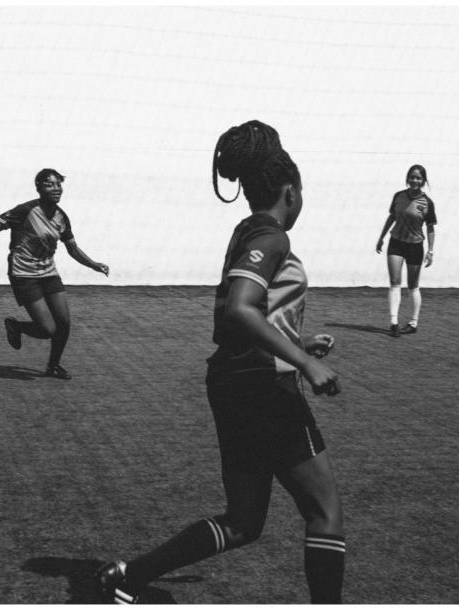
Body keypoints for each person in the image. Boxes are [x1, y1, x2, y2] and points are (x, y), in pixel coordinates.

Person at [96, 121, 345, 603]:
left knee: (244, 521)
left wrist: (298, 341)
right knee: (325, 510)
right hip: (262, 388)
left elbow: (239, 316)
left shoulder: (245, 230)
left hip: (233, 379)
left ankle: (128, 576)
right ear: (291, 191)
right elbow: (240, 307)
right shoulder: (272, 236)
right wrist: (306, 365)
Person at [0, 168, 109, 379]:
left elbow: (72, 249)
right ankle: (17, 326)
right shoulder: (25, 210)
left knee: (64, 323)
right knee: (48, 329)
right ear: (39, 188)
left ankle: (53, 365)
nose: (56, 188)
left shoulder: (61, 217)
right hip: (23, 274)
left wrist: (94, 265)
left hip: (49, 272)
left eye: (58, 184)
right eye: (49, 184)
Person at [375, 164, 437, 337]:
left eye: (418, 178)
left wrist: (430, 251)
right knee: (395, 282)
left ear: (423, 181)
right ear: (407, 178)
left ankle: (413, 323)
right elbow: (392, 217)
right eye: (412, 177)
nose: (415, 180)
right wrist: (381, 237)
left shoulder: (427, 203)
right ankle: (393, 322)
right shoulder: (399, 196)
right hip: (396, 243)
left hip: (415, 246)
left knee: (412, 286)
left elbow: (431, 228)